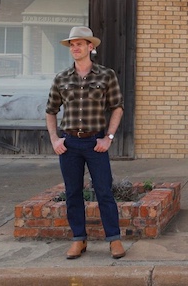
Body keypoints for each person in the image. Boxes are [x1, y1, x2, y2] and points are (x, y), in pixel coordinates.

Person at [46, 26, 126, 260]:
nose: (75, 48)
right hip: (69, 144)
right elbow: (50, 111)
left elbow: (118, 107)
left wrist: (108, 137)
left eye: (79, 44)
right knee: (72, 193)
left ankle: (114, 240)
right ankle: (78, 240)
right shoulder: (61, 78)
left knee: (104, 192)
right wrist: (54, 139)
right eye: (72, 45)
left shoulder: (106, 75)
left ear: (91, 47)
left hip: (95, 143)